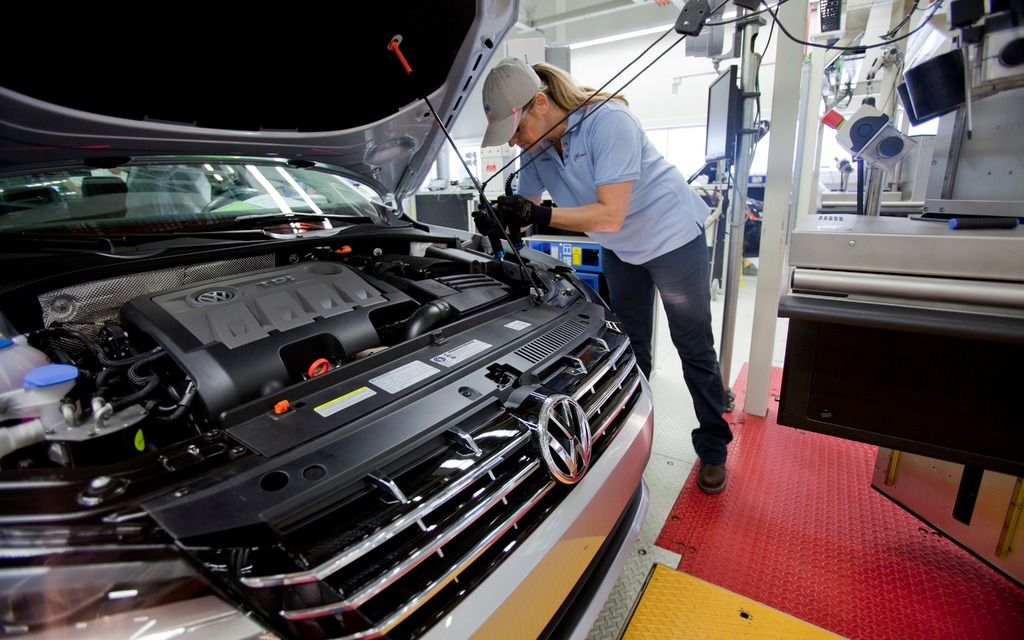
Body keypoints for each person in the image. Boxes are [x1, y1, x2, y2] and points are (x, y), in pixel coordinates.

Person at [476, 57, 733, 494]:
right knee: (630, 346)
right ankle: (629, 437)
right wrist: (501, 219)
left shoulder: (608, 122)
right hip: (622, 250)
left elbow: (610, 215)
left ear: (540, 102)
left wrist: (537, 215)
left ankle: (713, 447)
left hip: (671, 238)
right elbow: (527, 205)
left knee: (693, 346)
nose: (516, 142)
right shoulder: (537, 149)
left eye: (517, 130)